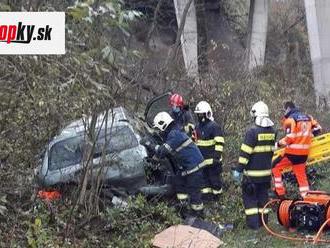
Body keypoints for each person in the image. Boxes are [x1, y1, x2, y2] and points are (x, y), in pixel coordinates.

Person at [146, 111, 205, 217]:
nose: (158, 131)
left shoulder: (174, 134)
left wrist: (150, 144)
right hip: (186, 167)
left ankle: (198, 214)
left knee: (194, 191)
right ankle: (183, 209)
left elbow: (162, 151)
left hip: (194, 166)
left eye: (158, 129)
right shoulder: (173, 132)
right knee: (179, 185)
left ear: (163, 125)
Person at [232, 101, 275, 230]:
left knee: (250, 201)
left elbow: (245, 153)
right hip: (266, 175)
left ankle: (253, 226)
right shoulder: (272, 131)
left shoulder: (252, 132)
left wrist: (238, 170)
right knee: (263, 200)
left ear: (256, 115)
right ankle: (264, 224)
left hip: (251, 176)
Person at [272, 101, 322, 198]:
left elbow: (290, 138)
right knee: (301, 176)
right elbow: (318, 129)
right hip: (304, 154)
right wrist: (308, 136)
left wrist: (278, 144)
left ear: (288, 109)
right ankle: (306, 198)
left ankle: (280, 193)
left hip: (292, 153)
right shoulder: (308, 117)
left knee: (275, 165)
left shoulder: (290, 120)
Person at [194, 101, 225, 201]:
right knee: (204, 183)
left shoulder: (214, 126)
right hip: (201, 162)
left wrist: (216, 157)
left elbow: (219, 142)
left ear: (207, 113)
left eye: (201, 114)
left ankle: (218, 200)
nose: (199, 116)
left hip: (213, 162)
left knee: (215, 182)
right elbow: (195, 142)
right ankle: (207, 200)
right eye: (198, 114)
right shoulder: (197, 127)